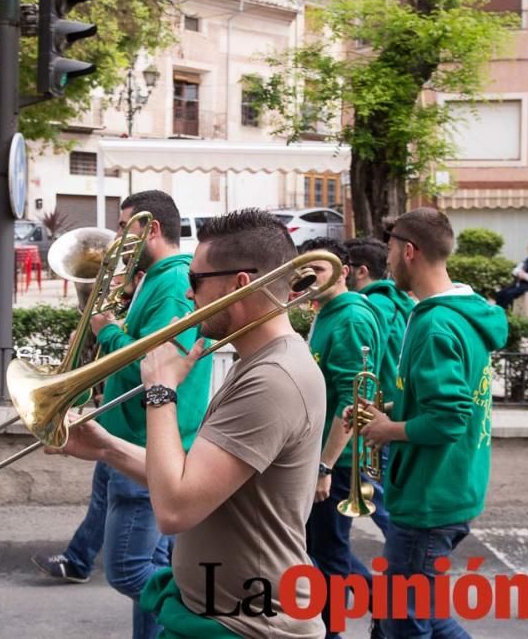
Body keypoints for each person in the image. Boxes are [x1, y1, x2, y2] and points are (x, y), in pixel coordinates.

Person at [49, 208, 326, 637]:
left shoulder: (274, 379)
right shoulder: (259, 363)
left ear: (241, 285)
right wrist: (105, 447)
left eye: (196, 282)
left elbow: (176, 508)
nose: (190, 295)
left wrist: (161, 389)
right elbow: (193, 479)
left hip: (246, 623)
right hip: (222, 610)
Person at [32, 190, 212, 638]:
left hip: (143, 446)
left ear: (151, 229)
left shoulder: (172, 284)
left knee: (131, 571)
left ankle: (206, 618)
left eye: (122, 226)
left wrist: (107, 330)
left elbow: (153, 369)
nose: (115, 239)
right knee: (150, 565)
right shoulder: (156, 279)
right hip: (126, 441)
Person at [352, 208, 508, 638]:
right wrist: (386, 414)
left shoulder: (436, 324)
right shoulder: (460, 314)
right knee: (428, 615)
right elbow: (437, 403)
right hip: (446, 490)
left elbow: (449, 419)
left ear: (409, 251)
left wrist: (389, 431)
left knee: (404, 623)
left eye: (389, 251)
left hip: (428, 499)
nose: (386, 261)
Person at [297, 237, 382, 638]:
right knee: (325, 549)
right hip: (324, 457)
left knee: (329, 555)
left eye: (320, 268)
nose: (310, 276)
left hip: (338, 462)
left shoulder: (350, 318)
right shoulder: (328, 312)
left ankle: (334, 630)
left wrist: (324, 466)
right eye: (305, 269)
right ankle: (383, 603)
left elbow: (354, 401)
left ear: (345, 271)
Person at [344, 236, 416, 539]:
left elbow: (365, 357)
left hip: (378, 414)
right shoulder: (399, 302)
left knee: (380, 498)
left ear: (361, 272)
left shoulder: (374, 305)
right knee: (386, 496)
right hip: (392, 410)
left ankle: (408, 551)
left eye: (345, 269)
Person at [494, 240, 528, 309]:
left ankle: (507, 314)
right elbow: (515, 270)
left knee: (509, 294)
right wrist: (519, 273)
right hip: (521, 284)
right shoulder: (527, 260)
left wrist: (525, 276)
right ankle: (497, 313)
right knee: (500, 293)